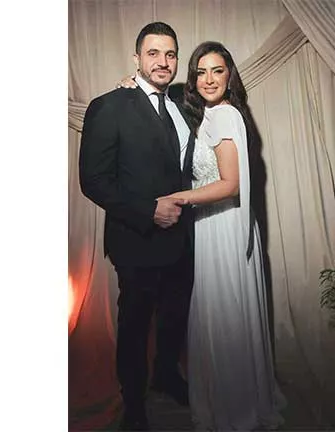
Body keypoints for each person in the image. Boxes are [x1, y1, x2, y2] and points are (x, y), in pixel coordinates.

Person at [122, 41, 286, 431]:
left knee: (226, 316)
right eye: (201, 72)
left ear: (230, 76)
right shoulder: (207, 114)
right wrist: (132, 85)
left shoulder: (225, 115)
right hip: (210, 226)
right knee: (221, 314)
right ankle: (232, 399)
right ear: (193, 78)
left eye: (218, 70)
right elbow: (159, 100)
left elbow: (230, 185)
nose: (209, 79)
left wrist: (176, 198)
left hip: (224, 226)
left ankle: (235, 409)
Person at [78, 22, 195, 431]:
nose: (163, 62)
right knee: (134, 324)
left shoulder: (182, 104)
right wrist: (148, 211)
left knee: (174, 317)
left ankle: (166, 375)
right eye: (153, 53)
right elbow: (93, 180)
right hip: (137, 240)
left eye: (170, 54)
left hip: (182, 239)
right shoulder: (109, 106)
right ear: (136, 59)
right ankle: (134, 403)